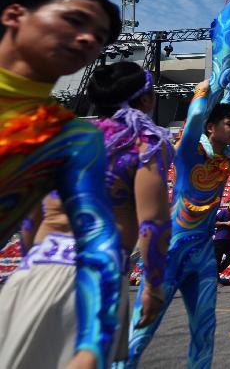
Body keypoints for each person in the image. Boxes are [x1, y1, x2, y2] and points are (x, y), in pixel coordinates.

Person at [0, 61, 171, 368]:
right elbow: (153, 223)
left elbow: (29, 218)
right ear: (146, 99)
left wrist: (31, 261)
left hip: (32, 273)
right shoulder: (145, 143)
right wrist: (153, 288)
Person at [0, 0, 123, 369]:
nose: (88, 39)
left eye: (100, 37)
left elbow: (98, 240)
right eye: (74, 20)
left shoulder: (71, 138)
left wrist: (91, 346)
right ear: (14, 14)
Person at [127, 82, 230, 367]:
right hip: (172, 249)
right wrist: (203, 91)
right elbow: (194, 121)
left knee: (205, 329)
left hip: (202, 252)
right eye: (229, 124)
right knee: (143, 327)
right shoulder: (189, 152)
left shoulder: (229, 156)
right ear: (210, 128)